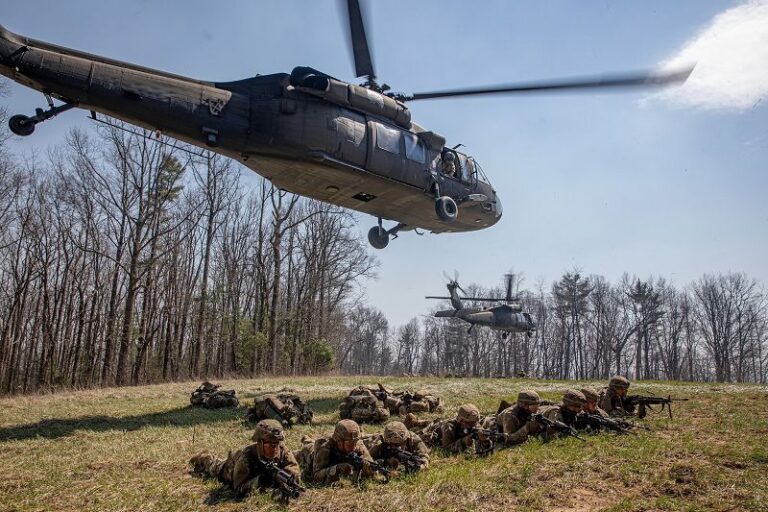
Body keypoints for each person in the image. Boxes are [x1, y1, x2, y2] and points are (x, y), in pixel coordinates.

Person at [189, 419, 300, 497]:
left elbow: (293, 467)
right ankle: (203, 457)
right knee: (214, 466)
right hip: (230, 469)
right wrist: (260, 481)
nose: (275, 448)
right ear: (260, 443)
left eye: (277, 444)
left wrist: (288, 477)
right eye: (270, 444)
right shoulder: (247, 456)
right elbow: (239, 488)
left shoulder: (282, 449)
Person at [304, 419, 376, 484]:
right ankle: (306, 440)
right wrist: (337, 468)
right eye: (349, 443)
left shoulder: (357, 443)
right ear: (339, 441)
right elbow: (316, 476)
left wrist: (368, 469)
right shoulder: (325, 447)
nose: (354, 447)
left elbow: (370, 464)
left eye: (356, 441)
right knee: (306, 448)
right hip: (311, 455)